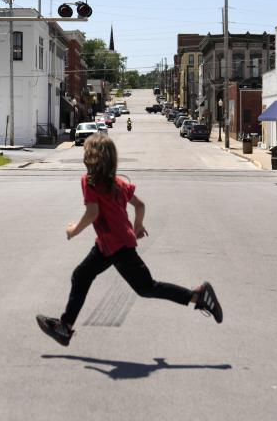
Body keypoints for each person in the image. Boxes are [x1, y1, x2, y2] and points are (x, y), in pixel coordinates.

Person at [36, 132, 222, 346]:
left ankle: (199, 296)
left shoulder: (89, 182)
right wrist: (138, 225)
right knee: (81, 275)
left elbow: (92, 214)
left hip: (118, 247)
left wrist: (73, 230)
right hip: (107, 245)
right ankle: (65, 327)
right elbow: (140, 205)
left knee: (147, 288)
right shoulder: (117, 183)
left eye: (86, 152)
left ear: (92, 158)